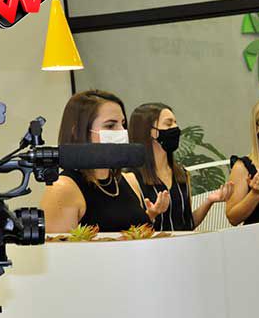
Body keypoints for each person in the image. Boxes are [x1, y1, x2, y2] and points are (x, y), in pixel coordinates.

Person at [41, 90, 169, 233]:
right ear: (77, 132)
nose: (121, 132)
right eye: (110, 126)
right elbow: (59, 245)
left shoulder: (127, 181)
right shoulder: (63, 189)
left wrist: (150, 216)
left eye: (123, 124)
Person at [126, 103, 234, 231]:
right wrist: (152, 214)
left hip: (183, 243)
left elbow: (188, 223)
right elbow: (131, 232)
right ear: (150, 132)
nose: (175, 128)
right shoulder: (132, 179)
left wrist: (209, 201)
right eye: (168, 124)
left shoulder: (181, 173)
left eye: (175, 123)